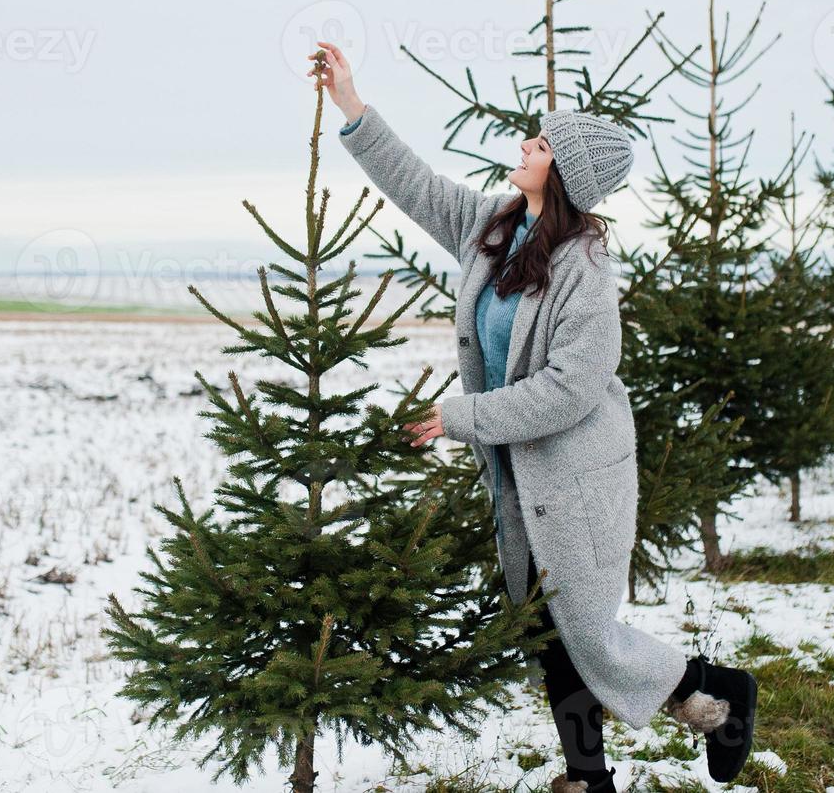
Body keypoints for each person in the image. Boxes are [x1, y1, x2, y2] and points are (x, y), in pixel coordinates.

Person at [309, 42, 757, 790]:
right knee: (551, 632)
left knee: (578, 630)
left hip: (577, 476)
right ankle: (612, 761)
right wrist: (351, 105)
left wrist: (462, 417)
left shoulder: (584, 271)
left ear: (567, 173)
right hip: (522, 474)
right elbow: (413, 184)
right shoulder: (494, 225)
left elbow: (568, 391)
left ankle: (710, 690)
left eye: (540, 143)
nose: (524, 144)